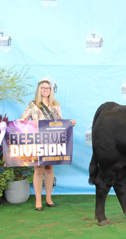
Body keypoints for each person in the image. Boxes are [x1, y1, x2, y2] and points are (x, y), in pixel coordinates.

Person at [17, 78, 76, 211]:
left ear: (51, 90)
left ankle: (48, 198)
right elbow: (23, 119)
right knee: (38, 170)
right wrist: (10, 125)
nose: (45, 90)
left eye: (48, 88)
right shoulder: (33, 105)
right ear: (39, 90)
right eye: (43, 88)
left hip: (51, 140)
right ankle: (38, 200)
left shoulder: (56, 105)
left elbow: (60, 121)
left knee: (49, 169)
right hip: (37, 141)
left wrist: (69, 122)